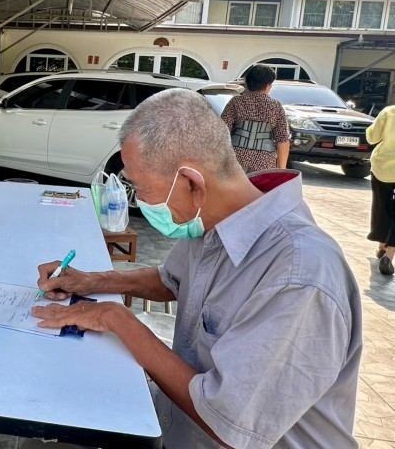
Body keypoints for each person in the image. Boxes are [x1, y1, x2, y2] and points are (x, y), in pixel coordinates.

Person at [32, 88, 362, 449]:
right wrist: (92, 281)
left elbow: (225, 422)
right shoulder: (214, 218)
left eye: (142, 189)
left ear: (192, 184)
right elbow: (170, 280)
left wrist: (116, 319)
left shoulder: (300, 275)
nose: (139, 201)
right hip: (178, 428)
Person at [221, 64, 290, 173]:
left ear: (248, 83)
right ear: (268, 85)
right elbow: (283, 140)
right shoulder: (275, 106)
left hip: (236, 159)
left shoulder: (236, 102)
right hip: (264, 163)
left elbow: (222, 131)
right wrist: (281, 171)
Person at [366, 104, 395, 275]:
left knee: (381, 206)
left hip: (382, 166)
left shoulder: (389, 112)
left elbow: (372, 138)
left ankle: (382, 246)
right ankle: (389, 253)